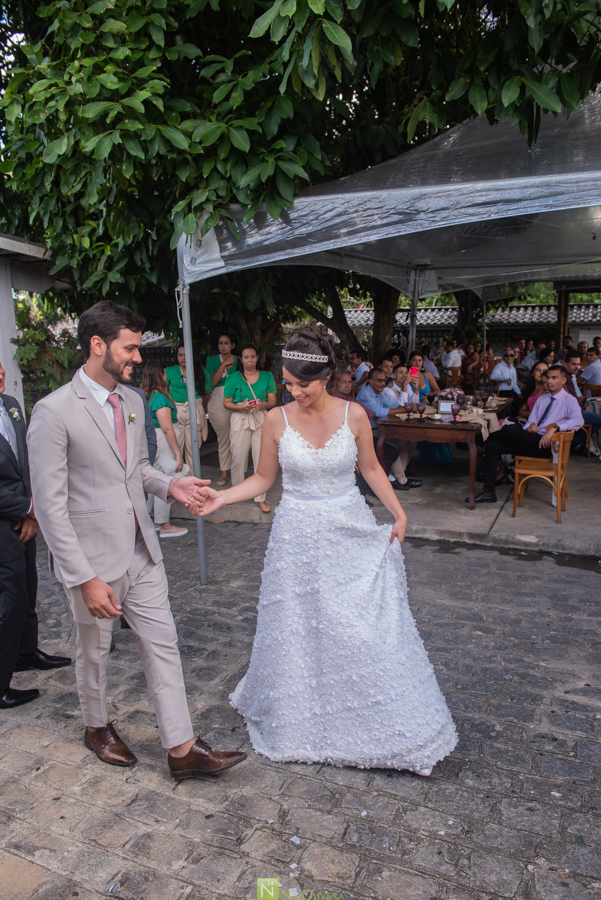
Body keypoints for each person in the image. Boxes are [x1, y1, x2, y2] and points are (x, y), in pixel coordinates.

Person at [198, 326, 457, 775]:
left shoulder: (354, 414)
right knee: (299, 626)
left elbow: (372, 469)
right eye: (288, 383)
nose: (293, 391)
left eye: (302, 384)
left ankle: (367, 713)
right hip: (296, 534)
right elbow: (263, 479)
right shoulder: (276, 420)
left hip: (347, 527)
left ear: (326, 376)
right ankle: (301, 714)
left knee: (354, 624)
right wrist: (224, 497)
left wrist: (398, 513)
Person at [27, 301, 246, 779]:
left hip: (143, 549)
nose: (137, 358)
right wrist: (84, 578)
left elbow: (138, 469)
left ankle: (182, 749)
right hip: (93, 561)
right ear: (97, 345)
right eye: (130, 348)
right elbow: (49, 506)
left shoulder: (133, 402)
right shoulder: (53, 411)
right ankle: (96, 725)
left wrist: (170, 485)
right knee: (95, 649)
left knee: (163, 642)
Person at [0, 363, 71, 709]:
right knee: (9, 600)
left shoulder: (11, 403)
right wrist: (28, 508)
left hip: (23, 516)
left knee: (28, 589)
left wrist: (33, 507)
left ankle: (25, 652)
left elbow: (26, 460)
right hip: (3, 522)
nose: (0, 374)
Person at [472, 365, 584, 503]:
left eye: (554, 378)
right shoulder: (543, 399)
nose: (549, 381)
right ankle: (489, 492)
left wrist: (555, 427)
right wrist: (530, 427)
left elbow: (579, 420)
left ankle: (481, 439)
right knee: (493, 445)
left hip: (547, 446)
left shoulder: (569, 400)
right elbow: (531, 422)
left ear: (563, 380)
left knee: (512, 429)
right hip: (531, 441)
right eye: (548, 377)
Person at [223, 344, 277, 514]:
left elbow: (272, 401)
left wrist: (262, 405)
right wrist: (241, 408)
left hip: (261, 418)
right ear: (241, 359)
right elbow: (226, 403)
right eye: (246, 357)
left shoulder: (267, 376)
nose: (250, 360)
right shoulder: (233, 378)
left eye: (252, 356)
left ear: (257, 358)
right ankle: (236, 493)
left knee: (261, 459)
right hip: (240, 417)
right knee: (238, 457)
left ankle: (260, 497)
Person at [140, 363, 188, 539]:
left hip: (152, 438)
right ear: (159, 376)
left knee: (154, 477)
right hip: (163, 440)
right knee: (167, 479)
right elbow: (167, 428)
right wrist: (178, 453)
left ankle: (152, 521)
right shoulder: (160, 398)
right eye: (164, 374)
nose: (167, 376)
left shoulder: (146, 396)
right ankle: (164, 524)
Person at [357, 369, 422, 490]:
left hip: (380, 429)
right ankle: (402, 480)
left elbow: (393, 406)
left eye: (384, 380)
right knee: (393, 446)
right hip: (369, 432)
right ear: (370, 382)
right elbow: (378, 412)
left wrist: (407, 407)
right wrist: (405, 409)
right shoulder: (365, 393)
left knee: (406, 443)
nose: (383, 383)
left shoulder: (379, 393)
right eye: (379, 380)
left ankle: (393, 478)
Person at [164, 343, 208, 470]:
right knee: (175, 448)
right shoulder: (170, 371)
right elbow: (164, 391)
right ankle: (177, 480)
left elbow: (207, 393)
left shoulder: (201, 371)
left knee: (193, 448)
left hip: (195, 410)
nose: (183, 358)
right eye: (180, 355)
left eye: (186, 355)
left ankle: (193, 480)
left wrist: (197, 405)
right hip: (176, 411)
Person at [205, 333, 238, 486]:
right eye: (220, 343)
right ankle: (224, 472)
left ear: (233, 345)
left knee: (239, 438)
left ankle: (239, 473)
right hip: (218, 399)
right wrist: (223, 365)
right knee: (224, 438)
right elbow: (211, 382)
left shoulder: (240, 360)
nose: (223, 346)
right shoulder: (212, 360)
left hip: (237, 399)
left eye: (226, 343)